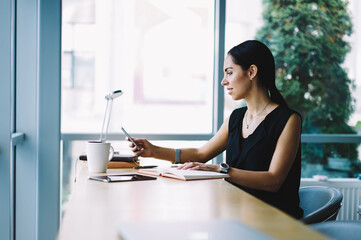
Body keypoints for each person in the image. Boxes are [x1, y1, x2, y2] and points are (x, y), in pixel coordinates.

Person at [127, 40, 303, 219]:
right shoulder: (236, 118)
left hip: (274, 221)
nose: (223, 81)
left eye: (229, 72)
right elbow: (201, 153)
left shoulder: (289, 120)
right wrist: (153, 151)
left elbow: (273, 180)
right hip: (237, 214)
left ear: (251, 71)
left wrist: (220, 170)